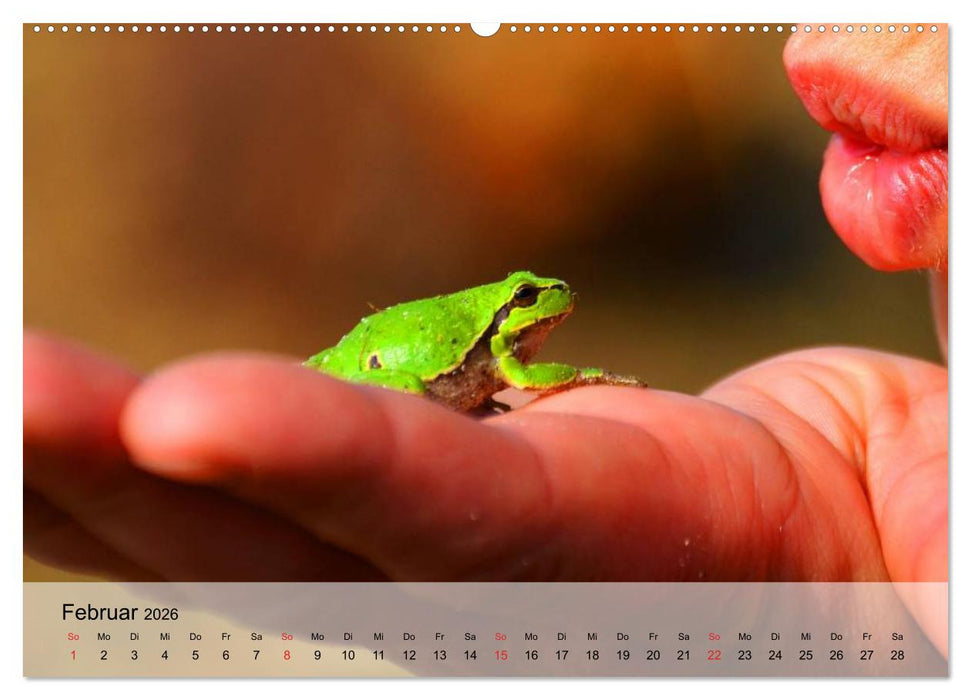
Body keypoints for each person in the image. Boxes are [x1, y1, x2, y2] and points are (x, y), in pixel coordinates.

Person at [24, 28, 947, 651]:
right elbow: (514, 373)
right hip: (390, 377)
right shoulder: (503, 344)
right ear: (512, 309)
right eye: (531, 295)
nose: (550, 302)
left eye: (540, 296)